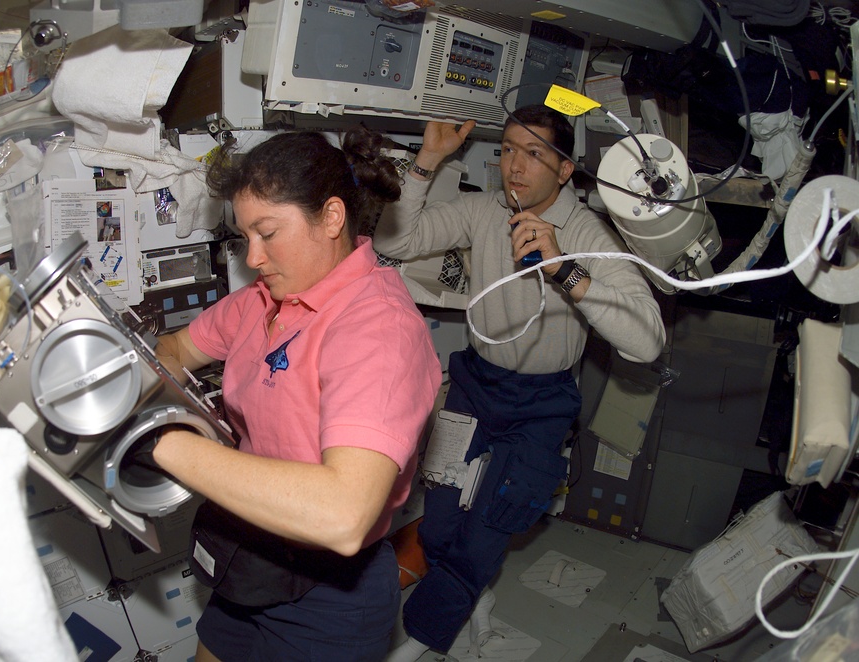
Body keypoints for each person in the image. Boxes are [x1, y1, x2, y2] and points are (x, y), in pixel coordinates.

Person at [373, 105, 666, 660]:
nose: (514, 165)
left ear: (564, 169)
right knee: (438, 524)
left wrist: (566, 270)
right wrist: (426, 161)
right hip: (476, 383)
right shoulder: (485, 210)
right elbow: (396, 241)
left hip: (541, 403)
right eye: (508, 149)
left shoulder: (587, 233)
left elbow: (648, 341)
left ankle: (420, 641)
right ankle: (475, 601)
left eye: (534, 153)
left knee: (488, 528)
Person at [150, 127, 442, 662]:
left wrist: (161, 442)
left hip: (330, 593)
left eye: (267, 233)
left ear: (331, 218)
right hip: (250, 552)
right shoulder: (261, 300)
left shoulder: (378, 328)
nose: (254, 258)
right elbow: (173, 349)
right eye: (246, 237)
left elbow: (343, 514)